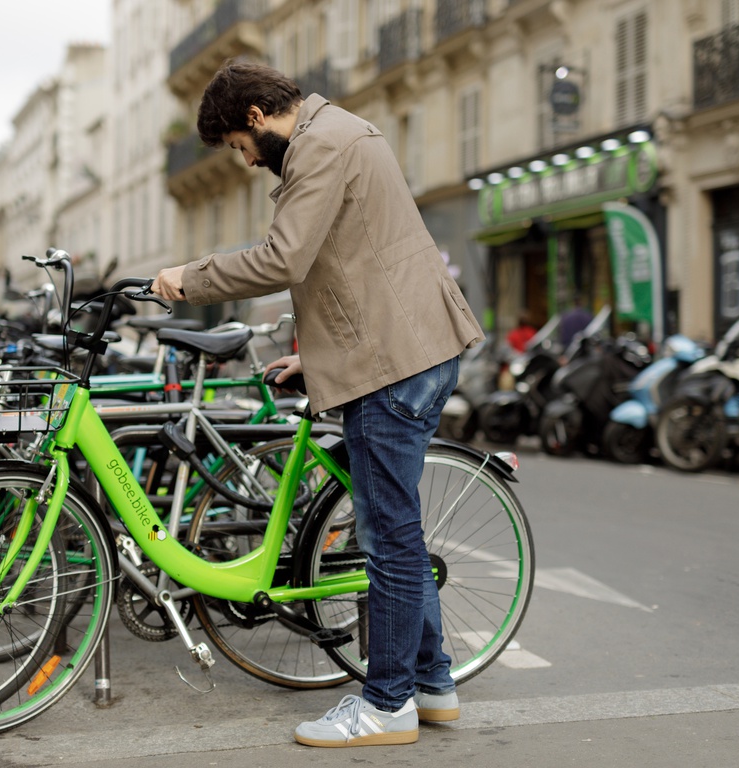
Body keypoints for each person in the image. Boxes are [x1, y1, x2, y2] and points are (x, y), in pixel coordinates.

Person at [152, 59, 484, 748]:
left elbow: (285, 258)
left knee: (386, 538)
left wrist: (191, 277)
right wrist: (320, 353)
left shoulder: (323, 145)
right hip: (398, 348)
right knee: (398, 531)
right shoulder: (335, 135)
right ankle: (432, 682)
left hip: (398, 362)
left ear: (254, 119)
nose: (245, 163)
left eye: (241, 148)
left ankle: (387, 704)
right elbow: (360, 260)